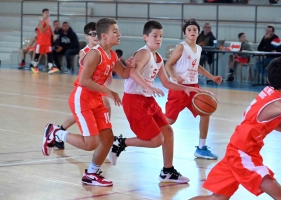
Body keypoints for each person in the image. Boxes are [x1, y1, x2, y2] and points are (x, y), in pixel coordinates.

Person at [42, 18, 135, 186]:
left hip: (97, 99)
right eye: (115, 31)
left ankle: (91, 174)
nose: (119, 34)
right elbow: (84, 80)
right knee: (90, 143)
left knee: (107, 139)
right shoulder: (94, 54)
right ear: (104, 36)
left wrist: (132, 65)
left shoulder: (112, 55)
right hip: (82, 99)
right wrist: (109, 91)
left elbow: (124, 74)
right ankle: (55, 132)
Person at [190, 57, 281, 200]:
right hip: (243, 154)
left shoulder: (268, 93)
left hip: (236, 149)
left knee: (216, 199)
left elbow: (274, 123)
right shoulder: (279, 103)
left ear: (269, 79)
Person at [108, 20, 202, 183]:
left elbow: (165, 82)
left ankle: (167, 170)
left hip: (147, 100)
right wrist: (149, 87)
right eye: (155, 36)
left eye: (161, 36)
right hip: (134, 100)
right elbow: (133, 73)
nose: (158, 39)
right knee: (156, 140)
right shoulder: (143, 53)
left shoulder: (158, 57)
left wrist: (184, 88)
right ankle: (120, 142)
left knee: (168, 132)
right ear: (145, 37)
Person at [165, 19, 222, 160]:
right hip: (179, 89)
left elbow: (197, 66)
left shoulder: (199, 48)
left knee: (205, 112)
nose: (192, 32)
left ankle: (201, 148)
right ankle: (148, 131)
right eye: (189, 30)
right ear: (185, 33)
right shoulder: (181, 47)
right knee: (169, 120)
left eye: (194, 30)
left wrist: (212, 77)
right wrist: (175, 76)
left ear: (198, 33)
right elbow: (169, 65)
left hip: (194, 87)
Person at [53, 22, 113, 149]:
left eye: (97, 33)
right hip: (87, 88)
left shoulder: (102, 51)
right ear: (86, 36)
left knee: (101, 109)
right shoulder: (85, 52)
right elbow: (89, 72)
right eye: (92, 34)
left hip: (96, 88)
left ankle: (60, 130)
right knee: (101, 107)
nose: (96, 36)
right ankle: (59, 132)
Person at [31, 8, 56, 74]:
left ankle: (51, 67)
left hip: (47, 42)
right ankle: (35, 66)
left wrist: (54, 35)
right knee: (38, 54)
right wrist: (47, 25)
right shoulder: (41, 22)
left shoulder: (48, 21)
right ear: (43, 14)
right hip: (41, 41)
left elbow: (50, 28)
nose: (47, 14)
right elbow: (41, 31)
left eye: (48, 13)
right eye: (46, 13)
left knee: (49, 54)